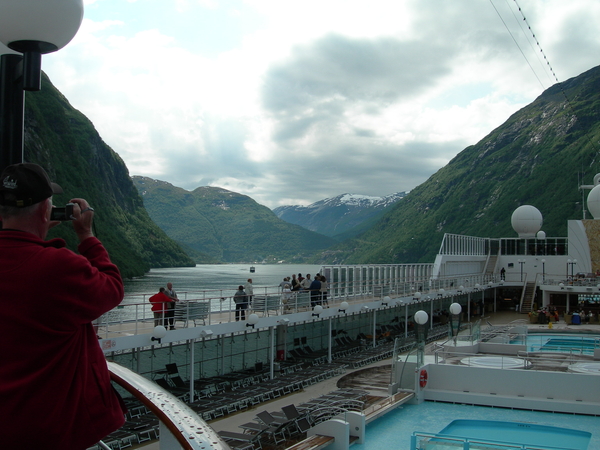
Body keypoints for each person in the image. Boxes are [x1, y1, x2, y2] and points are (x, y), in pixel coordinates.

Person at [0, 163, 126, 449]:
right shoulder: (57, 267)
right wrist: (87, 236)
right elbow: (112, 289)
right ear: (47, 210)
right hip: (46, 427)